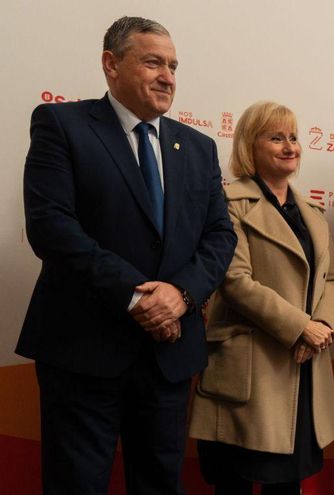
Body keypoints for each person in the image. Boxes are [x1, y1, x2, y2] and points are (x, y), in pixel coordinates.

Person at [16, 16, 236, 495]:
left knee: (159, 482)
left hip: (169, 353)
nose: (168, 76)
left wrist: (179, 294)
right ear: (110, 65)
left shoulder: (198, 147)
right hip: (83, 348)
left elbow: (220, 236)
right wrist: (138, 299)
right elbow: (52, 227)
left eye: (174, 66)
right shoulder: (62, 124)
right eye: (153, 62)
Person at [188, 101, 334, 494]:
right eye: (276, 137)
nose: (290, 146)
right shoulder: (229, 203)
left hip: (302, 372)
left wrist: (322, 326)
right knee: (235, 483)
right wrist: (300, 328)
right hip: (251, 373)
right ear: (249, 146)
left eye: (293, 137)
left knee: (287, 486)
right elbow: (235, 281)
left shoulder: (312, 210)